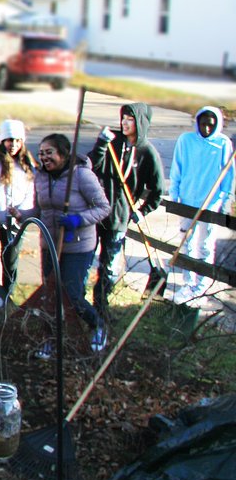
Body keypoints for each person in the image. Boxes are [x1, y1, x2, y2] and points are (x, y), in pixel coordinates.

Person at [16, 133, 111, 355]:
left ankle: (97, 325)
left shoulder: (81, 176)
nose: (44, 157)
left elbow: (103, 207)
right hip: (50, 243)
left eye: (49, 153)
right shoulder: (41, 176)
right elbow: (41, 209)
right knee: (50, 295)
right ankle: (49, 339)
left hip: (78, 245)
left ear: (63, 153)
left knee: (72, 294)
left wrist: (78, 220)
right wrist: (22, 214)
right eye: (41, 153)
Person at [89, 102, 164, 320]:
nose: (124, 122)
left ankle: (100, 307)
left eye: (130, 119)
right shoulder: (112, 142)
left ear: (140, 122)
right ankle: (78, 306)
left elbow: (157, 190)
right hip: (96, 214)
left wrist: (143, 210)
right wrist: (101, 144)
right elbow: (90, 166)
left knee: (109, 267)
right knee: (84, 259)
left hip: (119, 219)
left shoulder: (147, 153)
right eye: (123, 118)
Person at [169, 107, 233, 300]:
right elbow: (177, 168)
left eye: (210, 126)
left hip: (211, 204)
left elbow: (228, 177)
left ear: (217, 126)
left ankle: (201, 287)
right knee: (186, 243)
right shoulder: (186, 141)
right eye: (203, 124)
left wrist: (222, 200)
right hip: (188, 201)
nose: (206, 129)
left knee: (205, 245)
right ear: (197, 122)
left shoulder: (223, 144)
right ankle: (188, 283)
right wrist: (175, 196)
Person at [0, 120, 36, 300]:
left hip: (14, 222)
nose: (14, 145)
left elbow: (30, 191)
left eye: (18, 141)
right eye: (10, 140)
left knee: (10, 262)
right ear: (3, 140)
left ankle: (7, 297)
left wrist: (21, 213)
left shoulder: (27, 162)